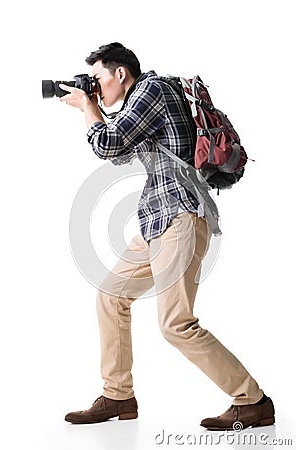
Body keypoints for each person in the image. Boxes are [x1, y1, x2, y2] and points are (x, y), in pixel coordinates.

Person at [60, 42, 274, 430]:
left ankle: (252, 400)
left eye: (97, 79)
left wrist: (88, 109)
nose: (94, 87)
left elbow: (107, 144)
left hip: (179, 217)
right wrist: (94, 110)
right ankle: (118, 395)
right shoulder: (142, 101)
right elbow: (120, 151)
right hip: (157, 222)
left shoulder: (152, 90)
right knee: (111, 297)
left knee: (176, 324)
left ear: (120, 73)